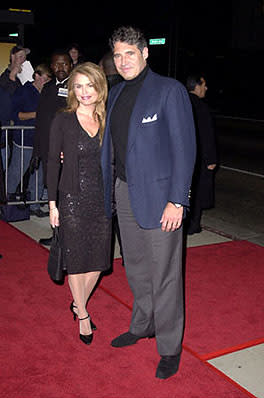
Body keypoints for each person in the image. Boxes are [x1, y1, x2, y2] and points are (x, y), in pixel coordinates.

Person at [101, 26, 196, 379]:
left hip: (161, 198)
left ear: (145, 53)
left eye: (130, 53)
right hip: (125, 192)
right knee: (136, 267)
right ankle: (143, 324)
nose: (123, 60)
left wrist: (177, 200)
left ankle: (170, 346)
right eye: (118, 54)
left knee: (165, 274)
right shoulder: (116, 93)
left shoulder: (169, 91)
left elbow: (185, 150)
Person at [47, 62, 111, 345]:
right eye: (78, 86)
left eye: (90, 85)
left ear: (100, 88)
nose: (84, 92)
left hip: (101, 199)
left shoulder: (107, 119)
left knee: (97, 261)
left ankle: (77, 303)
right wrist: (52, 204)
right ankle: (83, 313)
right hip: (71, 198)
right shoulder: (63, 119)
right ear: (72, 90)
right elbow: (52, 162)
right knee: (75, 259)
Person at [32, 51, 73, 244]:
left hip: (67, 154)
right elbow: (41, 120)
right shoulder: (48, 88)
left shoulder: (76, 87)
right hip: (49, 153)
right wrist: (37, 150)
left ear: (71, 65)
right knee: (53, 196)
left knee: (66, 196)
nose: (60, 68)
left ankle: (67, 236)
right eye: (56, 65)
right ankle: (57, 234)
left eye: (64, 64)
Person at [8, 64, 52, 216]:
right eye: (44, 79)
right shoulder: (23, 91)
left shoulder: (46, 93)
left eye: (48, 80)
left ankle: (34, 205)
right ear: (37, 76)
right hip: (24, 139)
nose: (46, 83)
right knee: (16, 172)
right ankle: (5, 202)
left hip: (40, 140)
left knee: (38, 174)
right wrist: (36, 114)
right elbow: (15, 115)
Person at [99, 51, 124, 265]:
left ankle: (104, 256)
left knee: (107, 212)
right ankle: (127, 255)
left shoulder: (101, 91)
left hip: (104, 159)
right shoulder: (127, 89)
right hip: (122, 162)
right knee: (122, 213)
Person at [186, 74, 218, 234]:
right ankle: (193, 224)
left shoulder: (181, 102)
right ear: (196, 86)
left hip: (184, 157)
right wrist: (211, 159)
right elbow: (207, 135)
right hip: (198, 158)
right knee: (197, 193)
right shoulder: (201, 107)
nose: (205, 88)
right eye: (203, 85)